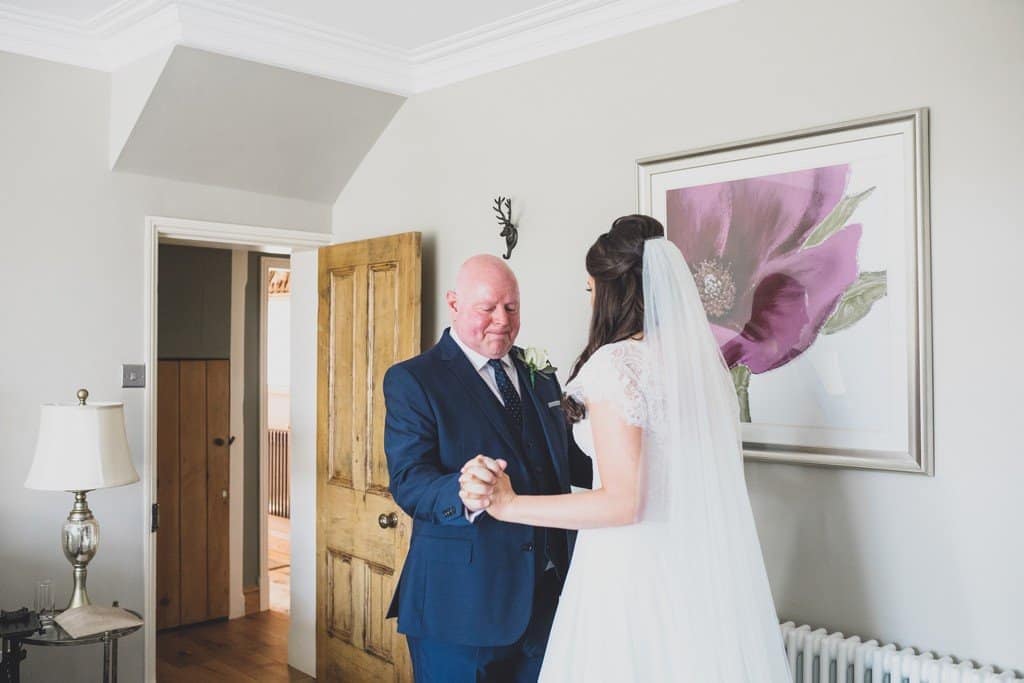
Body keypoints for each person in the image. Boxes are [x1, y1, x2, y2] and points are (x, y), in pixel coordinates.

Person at [461, 215, 792, 681]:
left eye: (590, 288)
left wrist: (509, 503)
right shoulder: (701, 371)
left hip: (631, 570)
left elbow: (622, 502)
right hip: (694, 569)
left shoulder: (618, 365)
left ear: (610, 290)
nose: (590, 299)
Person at [382, 254, 593, 682]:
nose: (502, 320)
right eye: (487, 308)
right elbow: (408, 480)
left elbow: (573, 463)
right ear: (454, 303)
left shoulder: (542, 375)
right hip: (459, 605)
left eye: (511, 308)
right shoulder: (414, 380)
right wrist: (460, 490)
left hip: (548, 599)